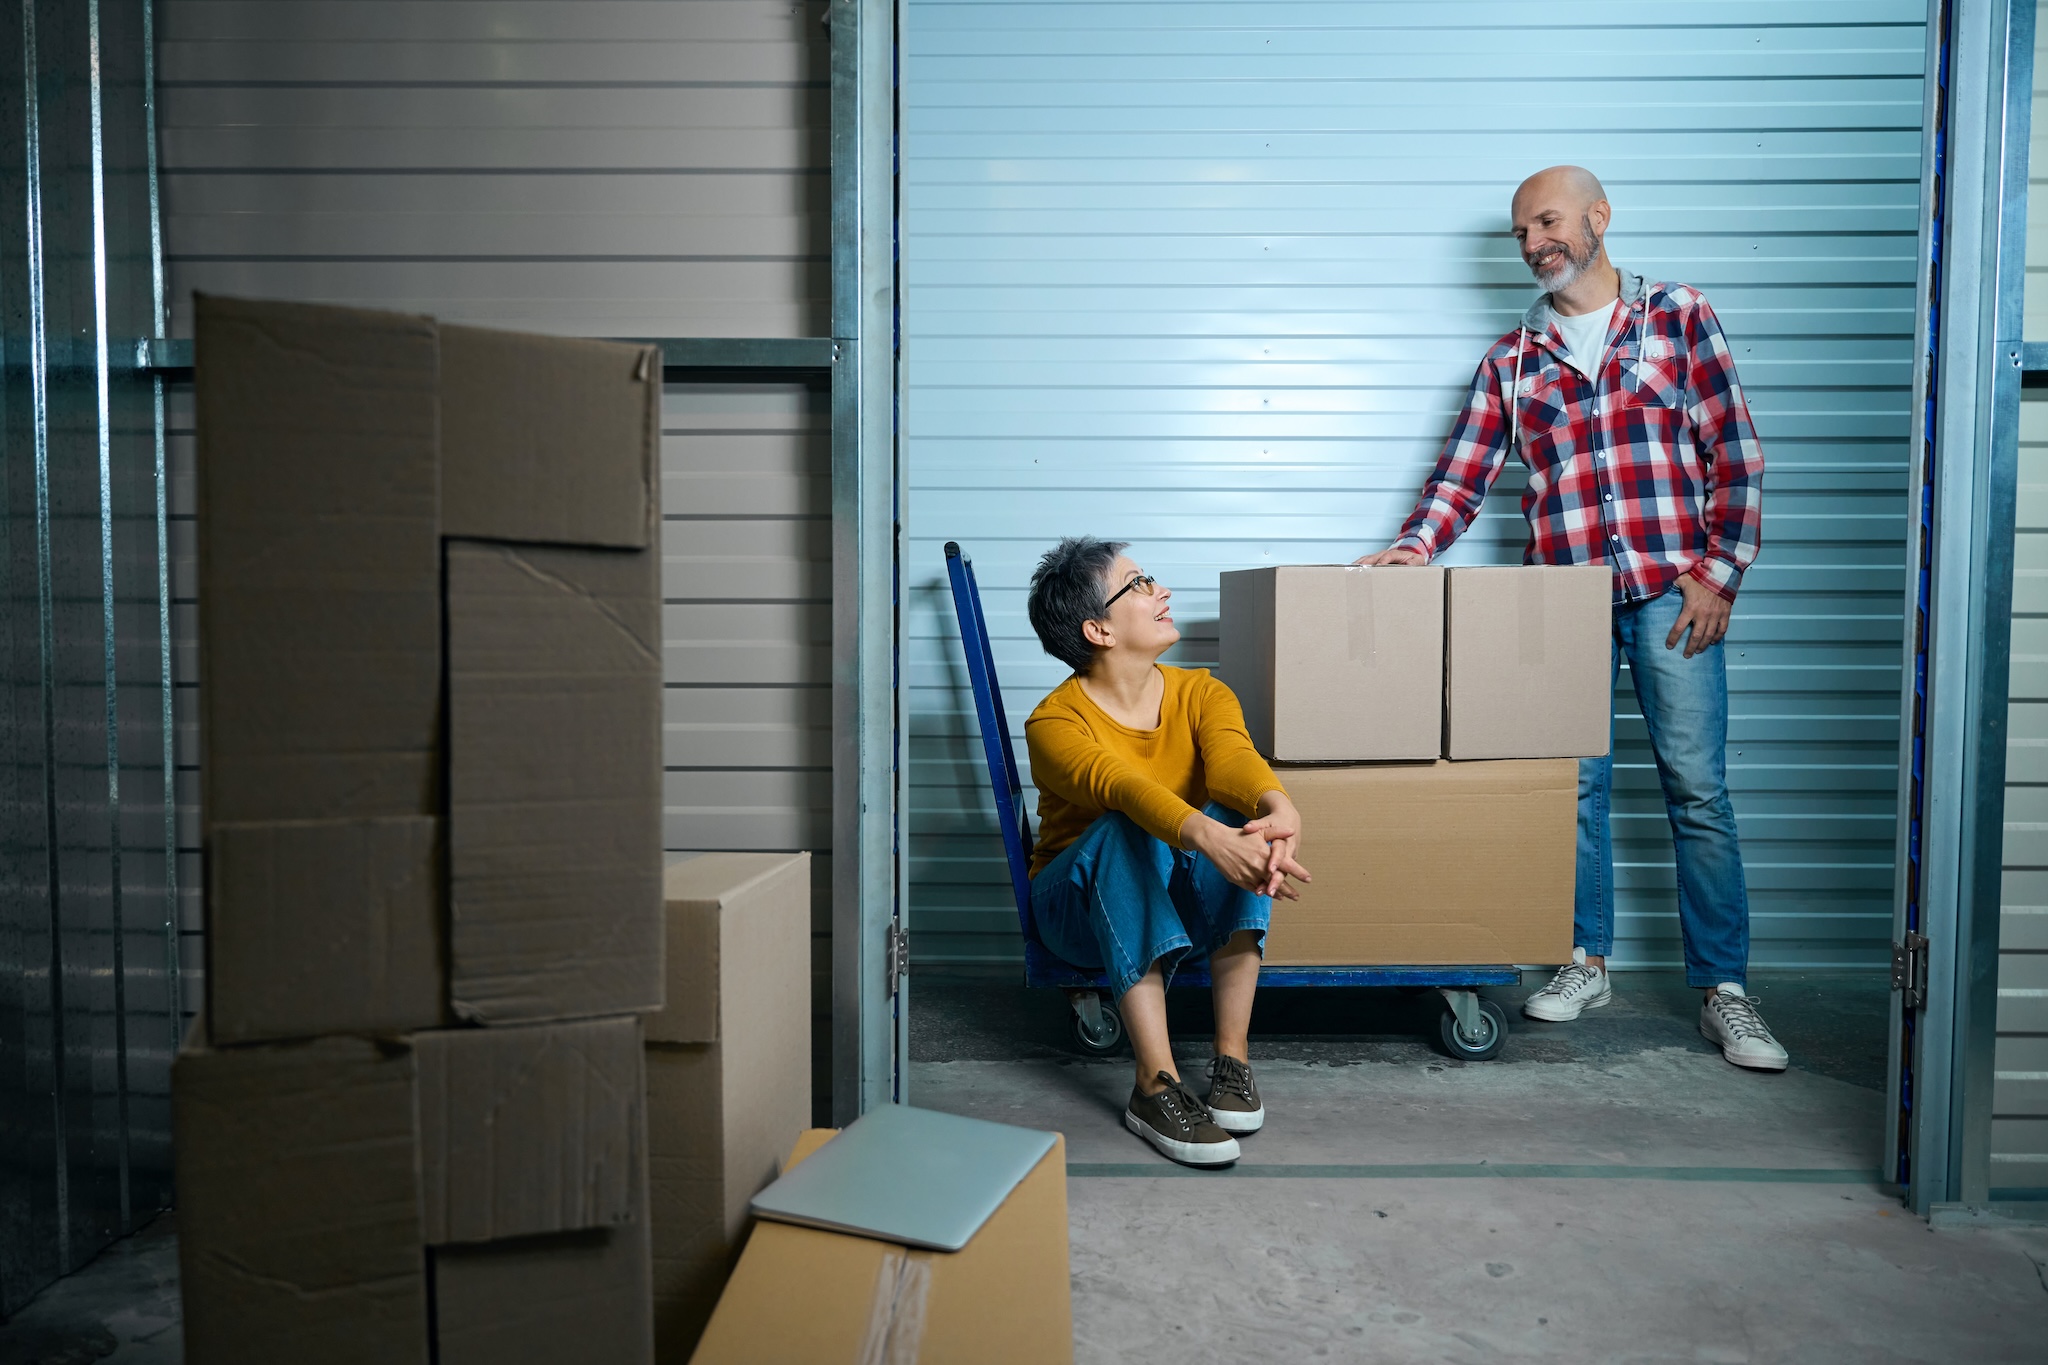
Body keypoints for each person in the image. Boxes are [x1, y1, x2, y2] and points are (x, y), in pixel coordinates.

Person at [1358, 165, 1786, 1071]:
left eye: (1546, 221)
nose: (1533, 243)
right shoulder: (1513, 361)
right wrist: (1413, 547)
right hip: (1561, 605)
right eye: (1520, 232)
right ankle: (1584, 958)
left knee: (1698, 792)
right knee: (1576, 791)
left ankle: (1725, 990)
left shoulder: (1679, 317)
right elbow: (1461, 475)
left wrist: (1719, 575)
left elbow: (1735, 454)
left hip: (1676, 593)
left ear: (1598, 217)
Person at [1022, 537, 1312, 1165]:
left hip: (1174, 895)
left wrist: (1277, 807)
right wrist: (1210, 838)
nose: (1163, 591)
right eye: (1140, 583)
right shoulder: (1054, 723)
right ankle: (1154, 1086)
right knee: (1124, 826)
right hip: (1075, 912)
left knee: (1244, 816)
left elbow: (1235, 759)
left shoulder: (1202, 693)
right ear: (1098, 629)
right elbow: (1120, 787)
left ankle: (1230, 1060)